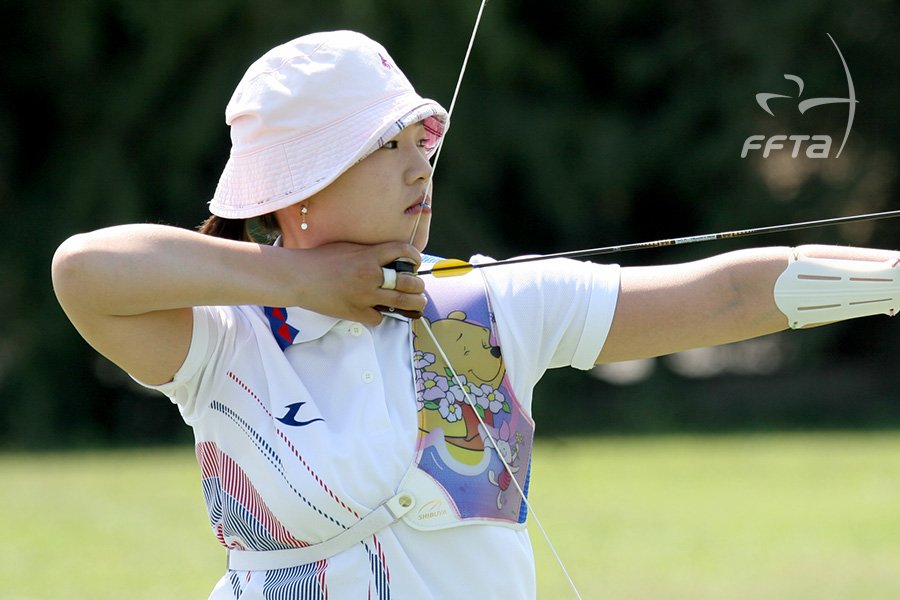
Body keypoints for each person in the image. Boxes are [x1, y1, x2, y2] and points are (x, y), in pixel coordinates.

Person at [51, 30, 899, 599]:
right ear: (296, 192)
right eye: (385, 147)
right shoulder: (223, 339)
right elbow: (84, 270)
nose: (422, 163)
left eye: (420, 140)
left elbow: (727, 294)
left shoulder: (488, 305)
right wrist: (301, 282)